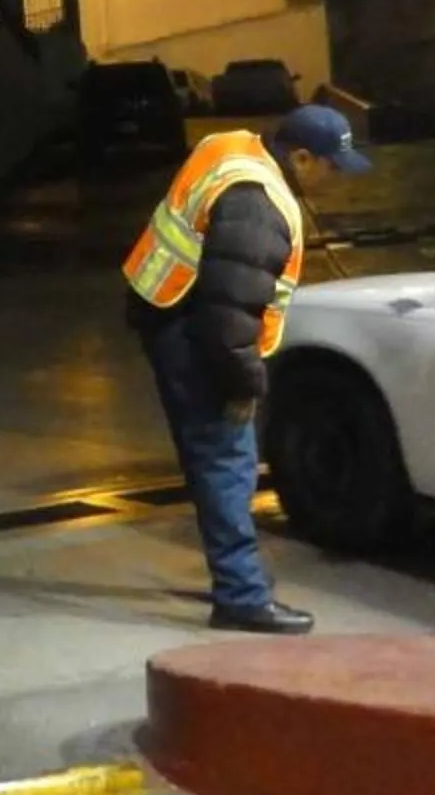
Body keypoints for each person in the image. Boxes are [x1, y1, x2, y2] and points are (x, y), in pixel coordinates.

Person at [122, 102, 373, 634]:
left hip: (165, 310)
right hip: (196, 334)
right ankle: (241, 596)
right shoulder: (258, 207)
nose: (337, 180)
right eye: (333, 166)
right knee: (228, 460)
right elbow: (228, 319)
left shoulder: (231, 146)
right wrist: (244, 385)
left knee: (210, 458)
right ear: (302, 158)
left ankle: (230, 577)